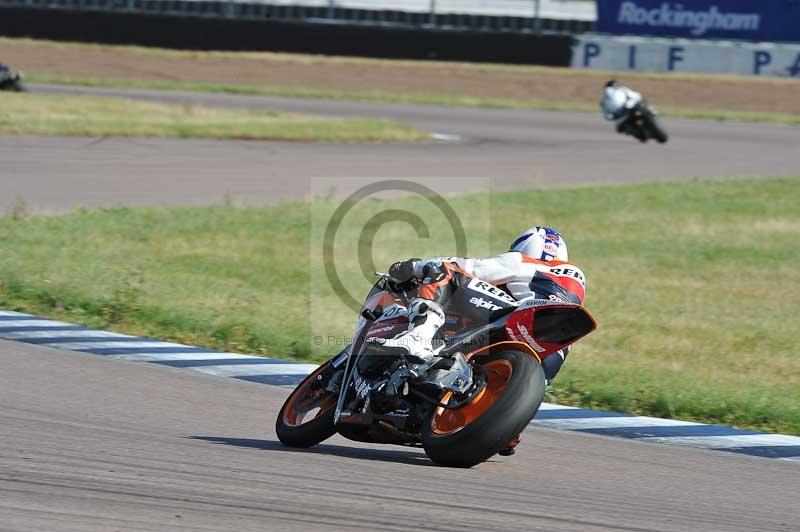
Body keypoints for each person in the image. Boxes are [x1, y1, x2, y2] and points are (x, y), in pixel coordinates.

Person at [374, 226, 587, 455]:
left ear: (524, 246)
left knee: (443, 271)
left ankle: (417, 338)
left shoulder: (523, 262)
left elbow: (471, 267)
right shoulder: (572, 290)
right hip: (547, 353)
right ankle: (498, 421)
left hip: (517, 318)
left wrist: (413, 267)